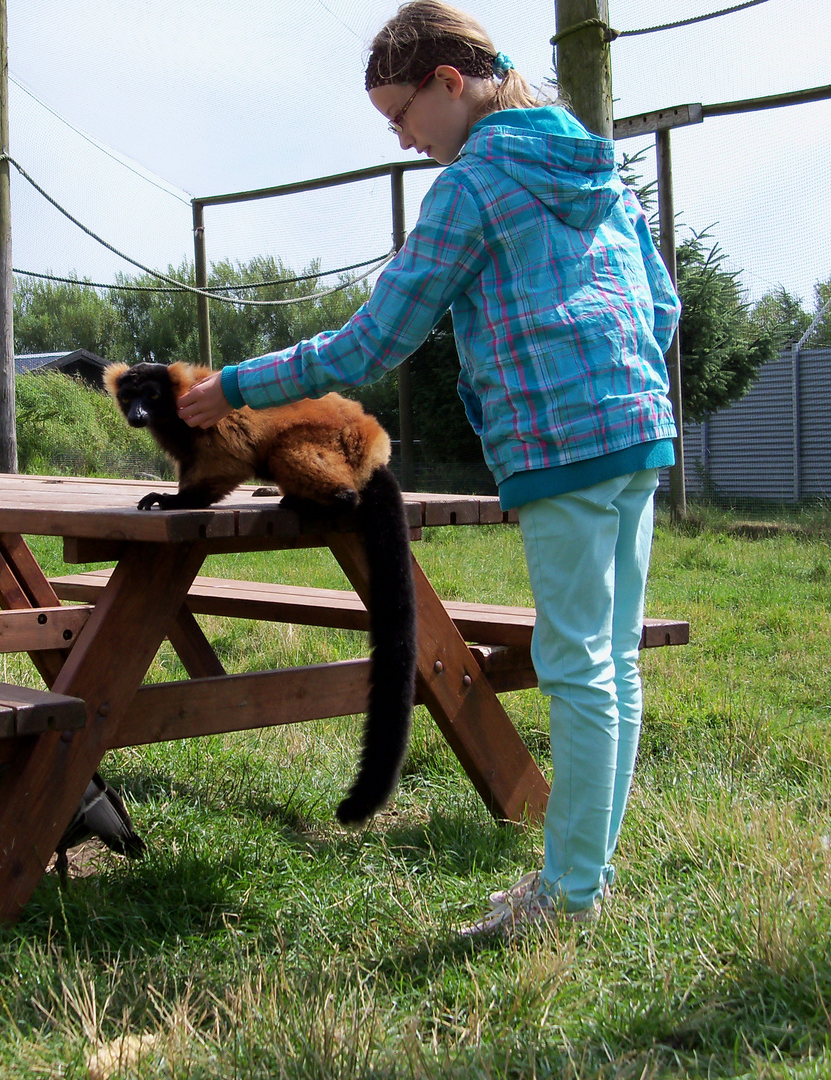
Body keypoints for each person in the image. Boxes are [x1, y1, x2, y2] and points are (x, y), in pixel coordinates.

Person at [175, 0, 679, 939]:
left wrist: (237, 383)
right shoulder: (589, 157)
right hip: (637, 431)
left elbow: (374, 342)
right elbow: (661, 298)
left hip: (565, 446)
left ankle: (565, 898)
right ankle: (582, 882)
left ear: (450, 83)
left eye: (401, 115)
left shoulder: (474, 185)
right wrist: (629, 380)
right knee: (607, 662)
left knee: (578, 666)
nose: (404, 140)